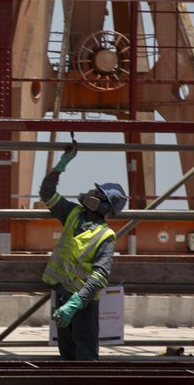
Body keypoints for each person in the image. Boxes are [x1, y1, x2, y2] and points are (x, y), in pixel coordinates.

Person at [39, 141, 127, 361]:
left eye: (98, 194)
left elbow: (100, 275)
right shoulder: (72, 213)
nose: (92, 193)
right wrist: (62, 163)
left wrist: (75, 304)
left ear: (105, 206)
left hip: (83, 304)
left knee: (86, 357)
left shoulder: (106, 235)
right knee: (67, 355)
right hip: (62, 297)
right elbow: (47, 192)